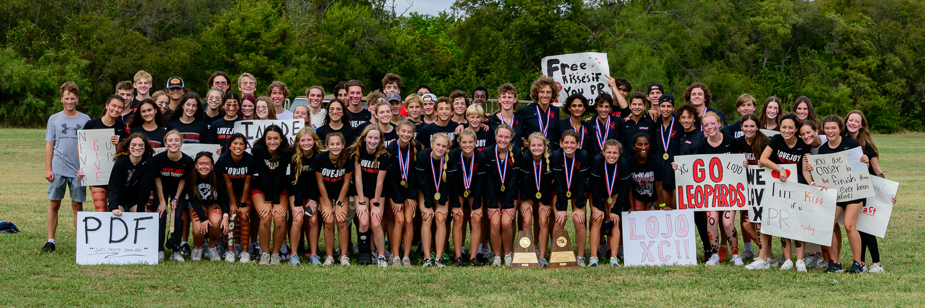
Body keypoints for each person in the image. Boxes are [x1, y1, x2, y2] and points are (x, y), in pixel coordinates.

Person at [805, 115, 869, 274]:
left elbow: (862, 170)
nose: (830, 131)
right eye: (827, 128)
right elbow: (823, 174)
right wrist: (814, 169)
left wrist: (865, 162)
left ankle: (858, 263)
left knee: (848, 225)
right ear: (822, 130)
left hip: (854, 192)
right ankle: (835, 263)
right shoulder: (823, 149)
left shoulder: (851, 144)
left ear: (840, 129)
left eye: (833, 128)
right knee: (828, 224)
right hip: (835, 193)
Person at [753, 113, 812, 270]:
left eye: (790, 127)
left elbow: (806, 171)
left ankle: (800, 260)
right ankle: (787, 260)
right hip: (779, 188)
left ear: (796, 129)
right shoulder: (777, 140)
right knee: (783, 222)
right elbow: (763, 160)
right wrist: (779, 168)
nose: (786, 130)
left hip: (798, 188)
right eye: (784, 127)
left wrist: (812, 184)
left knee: (798, 223)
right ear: (780, 127)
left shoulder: (803, 145)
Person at [42, 81, 91, 253]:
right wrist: (48, 168)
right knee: (54, 203)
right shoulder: (54, 119)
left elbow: (90, 145)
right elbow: (50, 144)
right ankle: (51, 241)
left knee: (77, 206)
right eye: (66, 98)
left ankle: (81, 244)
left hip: (78, 171)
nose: (70, 101)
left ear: (77, 99)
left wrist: (86, 168)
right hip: (58, 168)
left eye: (73, 98)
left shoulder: (85, 119)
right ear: (62, 99)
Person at [693, 112, 747, 266]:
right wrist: (679, 167)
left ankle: (735, 254)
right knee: (711, 221)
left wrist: (743, 164)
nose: (710, 127)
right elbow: (695, 167)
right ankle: (715, 255)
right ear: (703, 128)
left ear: (719, 124)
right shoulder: (702, 145)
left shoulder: (731, 141)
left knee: (728, 223)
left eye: (712, 123)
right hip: (712, 193)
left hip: (730, 191)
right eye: (706, 125)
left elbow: (740, 159)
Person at [844, 110, 884, 273]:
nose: (853, 123)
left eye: (856, 121)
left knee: (866, 227)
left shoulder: (865, 143)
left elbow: (876, 167)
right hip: (849, 188)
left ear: (861, 125)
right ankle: (861, 262)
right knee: (858, 227)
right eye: (850, 120)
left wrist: (887, 192)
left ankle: (877, 263)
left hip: (865, 188)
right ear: (846, 122)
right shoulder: (843, 140)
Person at [348, 125, 391, 267]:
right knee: (364, 221)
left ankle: (380, 255)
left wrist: (376, 205)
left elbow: (380, 182)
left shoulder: (384, 155)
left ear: (380, 140)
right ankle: (364, 254)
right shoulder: (357, 152)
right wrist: (360, 201)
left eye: (376, 138)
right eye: (370, 137)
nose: (373, 141)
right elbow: (358, 178)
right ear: (365, 138)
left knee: (376, 222)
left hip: (377, 192)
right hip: (361, 191)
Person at [251, 125, 293, 265]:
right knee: (265, 217)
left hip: (280, 188)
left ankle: (275, 253)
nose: (272, 141)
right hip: (260, 188)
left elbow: (279, 176)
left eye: (276, 138)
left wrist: (275, 202)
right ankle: (264, 253)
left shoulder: (286, 152)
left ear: (281, 139)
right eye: (269, 138)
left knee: (280, 219)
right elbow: (264, 175)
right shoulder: (259, 149)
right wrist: (269, 201)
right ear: (265, 139)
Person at [80, 95, 129, 212]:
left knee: (113, 210)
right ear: (107, 106)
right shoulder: (91, 124)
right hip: (97, 174)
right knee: (101, 210)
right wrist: (82, 167)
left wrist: (118, 145)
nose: (116, 109)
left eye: (120, 107)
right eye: (114, 106)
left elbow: (127, 152)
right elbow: (82, 146)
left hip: (116, 175)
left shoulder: (121, 127)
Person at [550, 130, 592, 266]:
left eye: (572, 143)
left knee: (579, 221)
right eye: (566, 142)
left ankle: (580, 256)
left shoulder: (583, 155)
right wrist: (561, 208)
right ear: (561, 144)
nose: (569, 145)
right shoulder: (556, 156)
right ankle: (557, 254)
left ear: (578, 144)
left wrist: (580, 207)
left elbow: (581, 182)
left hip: (577, 190)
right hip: (560, 189)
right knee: (559, 220)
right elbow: (559, 182)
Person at [416, 133, 456, 268]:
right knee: (427, 217)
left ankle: (439, 258)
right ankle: (427, 258)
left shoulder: (450, 158)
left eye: (444, 146)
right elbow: (423, 183)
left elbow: (448, 184)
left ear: (447, 148)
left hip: (442, 192)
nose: (440, 148)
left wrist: (443, 204)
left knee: (440, 218)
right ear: (432, 144)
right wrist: (428, 205)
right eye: (438, 145)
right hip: (425, 190)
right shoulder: (422, 156)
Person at [449, 129, 488, 266]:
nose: (467, 145)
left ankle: (473, 256)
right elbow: (452, 182)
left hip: (474, 191)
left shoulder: (481, 157)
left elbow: (480, 183)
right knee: (458, 217)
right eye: (464, 142)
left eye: (470, 142)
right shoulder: (453, 155)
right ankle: (458, 256)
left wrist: (477, 206)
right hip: (458, 190)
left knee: (476, 218)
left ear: (475, 143)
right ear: (459, 143)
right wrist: (455, 204)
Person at [313, 133, 354, 266]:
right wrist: (328, 205)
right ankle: (329, 256)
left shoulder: (347, 158)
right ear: (327, 145)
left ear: (343, 145)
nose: (335, 146)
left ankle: (343, 256)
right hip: (326, 194)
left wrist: (339, 203)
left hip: (342, 194)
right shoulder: (319, 158)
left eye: (338, 144)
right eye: (332, 144)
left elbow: (347, 183)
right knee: (329, 221)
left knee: (341, 221)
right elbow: (320, 184)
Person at [153, 130, 194, 262]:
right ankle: (159, 249)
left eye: (177, 140)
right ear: (165, 143)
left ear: (181, 143)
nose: (173, 143)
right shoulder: (159, 159)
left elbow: (183, 179)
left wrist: (176, 198)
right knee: (162, 215)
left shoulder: (187, 160)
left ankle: (176, 250)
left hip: (178, 190)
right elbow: (157, 179)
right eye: (170, 140)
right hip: (162, 190)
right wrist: (162, 201)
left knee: (177, 217)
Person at [387, 120, 423, 267]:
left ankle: (406, 256)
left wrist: (411, 196)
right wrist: (397, 199)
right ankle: (396, 255)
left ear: (413, 134)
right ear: (397, 132)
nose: (406, 134)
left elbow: (416, 174)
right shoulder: (391, 147)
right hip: (393, 190)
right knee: (400, 220)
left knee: (409, 221)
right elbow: (390, 177)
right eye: (403, 131)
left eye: (409, 132)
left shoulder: (417, 147)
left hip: (410, 191)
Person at [483, 124, 520, 266]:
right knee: (495, 223)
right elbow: (488, 181)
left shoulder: (516, 153)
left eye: (506, 137)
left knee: (506, 223)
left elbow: (514, 180)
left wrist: (509, 204)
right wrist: (492, 204)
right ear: (495, 136)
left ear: (511, 138)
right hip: (493, 194)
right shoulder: (487, 152)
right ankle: (497, 255)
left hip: (510, 195)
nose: (503, 140)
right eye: (500, 136)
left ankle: (508, 254)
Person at [589, 139, 630, 266]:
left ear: (619, 154)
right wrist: (599, 207)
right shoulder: (597, 161)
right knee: (597, 219)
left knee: (614, 221)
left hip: (615, 192)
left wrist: (616, 210)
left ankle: (613, 257)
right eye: (609, 152)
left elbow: (624, 189)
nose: (611, 155)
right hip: (598, 193)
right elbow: (594, 186)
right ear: (603, 152)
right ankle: (593, 257)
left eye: (615, 153)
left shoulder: (623, 163)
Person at [216, 133, 255, 263]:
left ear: (245, 146)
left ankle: (245, 251)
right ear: (230, 146)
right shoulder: (223, 159)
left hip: (245, 192)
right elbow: (227, 183)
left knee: (244, 217)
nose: (238, 146)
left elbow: (247, 183)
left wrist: (242, 204)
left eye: (241, 144)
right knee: (232, 216)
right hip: (229, 192)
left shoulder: (249, 159)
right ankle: (230, 251)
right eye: (235, 143)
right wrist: (233, 203)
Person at [737, 113, 769, 261]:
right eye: (746, 126)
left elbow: (773, 163)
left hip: (763, 188)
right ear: (741, 127)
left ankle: (765, 256)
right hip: (746, 189)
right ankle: (768, 255)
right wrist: (740, 164)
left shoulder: (764, 142)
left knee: (758, 223)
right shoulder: (738, 142)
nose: (749, 129)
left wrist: (763, 163)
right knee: (746, 224)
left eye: (752, 126)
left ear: (757, 127)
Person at [187, 152, 230, 262]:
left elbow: (224, 199)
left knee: (215, 222)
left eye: (207, 164)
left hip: (213, 204)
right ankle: (198, 247)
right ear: (196, 165)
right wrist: (203, 218)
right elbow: (193, 200)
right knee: (198, 229)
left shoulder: (218, 177)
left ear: (212, 166)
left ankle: (211, 248)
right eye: (201, 164)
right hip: (198, 204)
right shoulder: (191, 176)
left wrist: (225, 216)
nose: (204, 167)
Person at [289, 127, 323, 265]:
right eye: (303, 140)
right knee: (297, 218)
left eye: (309, 140)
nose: (306, 143)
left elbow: (317, 182)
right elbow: (294, 183)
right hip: (296, 192)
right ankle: (294, 254)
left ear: (315, 141)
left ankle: (313, 254)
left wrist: (313, 200)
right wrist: (298, 205)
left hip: (312, 193)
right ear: (298, 142)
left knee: (313, 219)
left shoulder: (320, 156)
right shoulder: (293, 156)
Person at [518, 132, 553, 267]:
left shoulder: (550, 158)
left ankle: (542, 256)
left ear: (545, 146)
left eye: (539, 145)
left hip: (544, 194)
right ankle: (528, 253)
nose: (536, 148)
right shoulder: (525, 157)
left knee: (543, 221)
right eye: (533, 145)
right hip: (528, 194)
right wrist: (525, 201)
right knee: (526, 221)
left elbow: (548, 181)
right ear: (528, 146)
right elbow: (524, 181)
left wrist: (545, 203)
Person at [107, 133, 157, 217]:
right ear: (128, 147)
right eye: (133, 145)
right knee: (118, 214)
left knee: (140, 214)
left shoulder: (149, 162)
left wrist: (140, 210)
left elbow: (145, 188)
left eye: (140, 145)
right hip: (120, 196)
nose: (137, 148)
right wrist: (114, 207)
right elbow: (113, 186)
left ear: (145, 148)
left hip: (135, 198)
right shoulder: (121, 161)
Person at [517, 76, 560, 150]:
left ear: (553, 94)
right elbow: (517, 130)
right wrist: (522, 141)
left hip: (550, 152)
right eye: (542, 92)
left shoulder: (555, 110)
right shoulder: (525, 110)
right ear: (536, 93)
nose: (545, 95)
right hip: (532, 152)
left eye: (548, 92)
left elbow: (555, 132)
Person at [586, 93, 624, 159]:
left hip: (613, 160)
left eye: (606, 106)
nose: (603, 110)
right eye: (600, 106)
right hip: (595, 162)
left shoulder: (618, 121)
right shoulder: (589, 123)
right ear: (596, 107)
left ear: (611, 108)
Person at [486, 83, 522, 149]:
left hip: (515, 158)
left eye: (510, 97)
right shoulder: (490, 120)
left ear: (515, 99)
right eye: (504, 97)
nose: (507, 100)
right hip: (496, 158)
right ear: (499, 100)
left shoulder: (521, 119)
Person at [620, 92, 656, 157]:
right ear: (630, 106)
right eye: (634, 104)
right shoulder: (622, 123)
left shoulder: (651, 123)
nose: (637, 107)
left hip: (646, 163)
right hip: (627, 164)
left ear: (644, 106)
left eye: (640, 104)